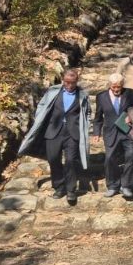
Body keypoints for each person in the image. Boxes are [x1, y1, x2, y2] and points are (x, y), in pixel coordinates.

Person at [19, 69, 91, 204]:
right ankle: (59, 187)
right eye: (67, 82)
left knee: (70, 160)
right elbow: (42, 106)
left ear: (77, 81)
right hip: (53, 131)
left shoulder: (82, 95)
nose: (69, 86)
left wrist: (84, 127)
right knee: (53, 159)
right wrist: (40, 120)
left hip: (72, 133)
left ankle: (71, 190)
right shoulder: (53, 91)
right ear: (63, 80)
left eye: (73, 83)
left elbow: (87, 113)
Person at [92, 73, 133, 199]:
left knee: (131, 155)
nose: (116, 90)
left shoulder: (130, 93)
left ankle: (127, 186)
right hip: (110, 132)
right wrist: (96, 132)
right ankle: (112, 186)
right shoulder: (101, 97)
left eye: (119, 87)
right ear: (110, 86)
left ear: (122, 85)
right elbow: (98, 117)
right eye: (114, 87)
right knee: (109, 158)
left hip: (128, 131)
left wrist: (131, 116)